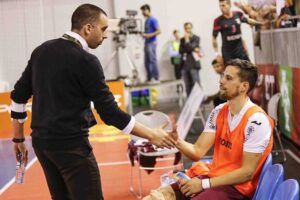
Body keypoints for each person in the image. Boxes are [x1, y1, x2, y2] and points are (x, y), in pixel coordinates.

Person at [10, 4, 175, 200]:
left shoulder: (41, 51)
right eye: (103, 29)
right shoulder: (86, 61)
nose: (106, 35)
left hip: (42, 145)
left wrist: (18, 139)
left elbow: (18, 96)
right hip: (71, 147)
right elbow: (109, 113)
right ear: (88, 28)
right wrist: (151, 135)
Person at [144, 59, 274, 200]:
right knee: (157, 197)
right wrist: (176, 141)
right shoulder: (218, 111)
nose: (221, 81)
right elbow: (197, 152)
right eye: (223, 75)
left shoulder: (256, 121)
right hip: (215, 179)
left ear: (244, 87)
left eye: (228, 78)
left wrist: (204, 184)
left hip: (238, 189)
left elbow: (246, 173)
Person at [212, 0, 264, 64]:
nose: (221, 8)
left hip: (240, 51)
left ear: (229, 5)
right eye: (220, 6)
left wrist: (259, 23)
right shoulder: (218, 21)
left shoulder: (238, 14)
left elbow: (248, 20)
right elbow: (214, 38)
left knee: (249, 70)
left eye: (223, 5)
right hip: (228, 54)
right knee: (231, 72)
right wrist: (217, 54)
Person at [179, 22, 202, 96]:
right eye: (186, 28)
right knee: (187, 86)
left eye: (189, 28)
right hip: (184, 65)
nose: (187, 30)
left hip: (193, 65)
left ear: (191, 28)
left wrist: (187, 41)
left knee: (196, 84)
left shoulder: (196, 38)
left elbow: (190, 47)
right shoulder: (182, 39)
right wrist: (193, 49)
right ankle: (190, 105)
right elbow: (180, 50)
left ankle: (200, 104)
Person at [140, 4, 161, 83]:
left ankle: (156, 77)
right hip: (147, 42)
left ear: (148, 10)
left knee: (152, 60)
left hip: (152, 42)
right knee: (146, 61)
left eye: (143, 11)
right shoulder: (147, 20)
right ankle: (149, 77)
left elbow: (159, 31)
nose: (143, 13)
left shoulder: (153, 19)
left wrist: (148, 35)